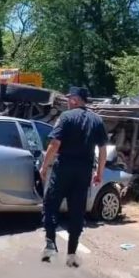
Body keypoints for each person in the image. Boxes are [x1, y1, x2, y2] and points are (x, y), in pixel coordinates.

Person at [39, 86, 108, 268]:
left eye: (71, 98)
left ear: (76, 100)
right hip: (84, 171)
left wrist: (44, 167)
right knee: (77, 211)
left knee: (50, 204)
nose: (68, 101)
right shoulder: (97, 120)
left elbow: (55, 143)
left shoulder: (66, 117)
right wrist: (99, 173)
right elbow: (102, 150)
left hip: (64, 168)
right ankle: (71, 253)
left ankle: (50, 244)